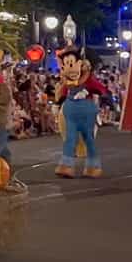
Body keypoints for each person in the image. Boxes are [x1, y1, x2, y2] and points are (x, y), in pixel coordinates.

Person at [52, 48, 110, 179]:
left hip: (86, 113)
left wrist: (97, 95)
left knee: (88, 139)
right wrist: (57, 103)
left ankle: (93, 166)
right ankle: (66, 165)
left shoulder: (88, 80)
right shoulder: (67, 82)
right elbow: (63, 93)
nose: (69, 69)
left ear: (80, 64)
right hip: (71, 112)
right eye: (66, 65)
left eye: (72, 64)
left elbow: (102, 89)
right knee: (70, 139)